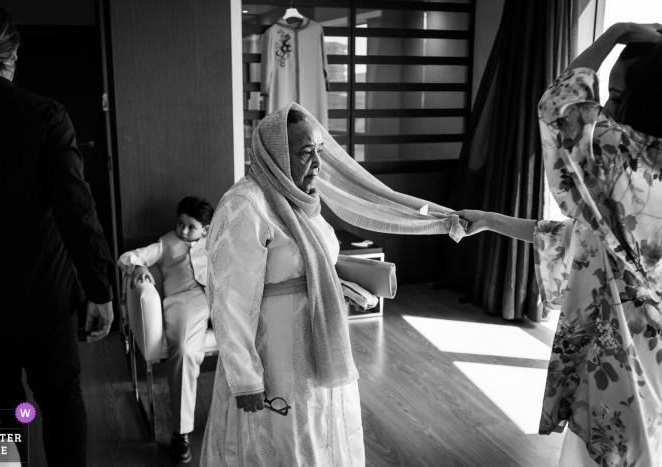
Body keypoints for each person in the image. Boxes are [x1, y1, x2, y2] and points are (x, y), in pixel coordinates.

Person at [200, 103, 468, 466]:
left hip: (317, 343)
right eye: (305, 153)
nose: (317, 164)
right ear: (276, 155)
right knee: (283, 437)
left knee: (320, 430)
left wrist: (339, 282)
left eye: (319, 152)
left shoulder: (299, 199)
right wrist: (246, 378)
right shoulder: (244, 206)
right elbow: (228, 299)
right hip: (275, 353)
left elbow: (304, 263)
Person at [458, 23, 662, 467]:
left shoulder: (629, 165)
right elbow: (573, 238)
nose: (604, 107)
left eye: (616, 95)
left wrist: (616, 33)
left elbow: (559, 106)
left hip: (625, 358)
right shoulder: (639, 178)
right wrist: (489, 220)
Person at [0, 1, 114, 466]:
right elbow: (77, 210)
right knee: (61, 399)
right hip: (43, 297)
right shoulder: (45, 116)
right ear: (11, 56)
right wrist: (99, 288)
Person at [118, 195, 213, 462]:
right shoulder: (166, 242)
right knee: (182, 350)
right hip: (185, 302)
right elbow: (130, 256)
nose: (183, 230)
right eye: (180, 223)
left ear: (205, 230)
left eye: (190, 226)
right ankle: (181, 432)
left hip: (221, 297)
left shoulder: (217, 241)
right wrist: (137, 267)